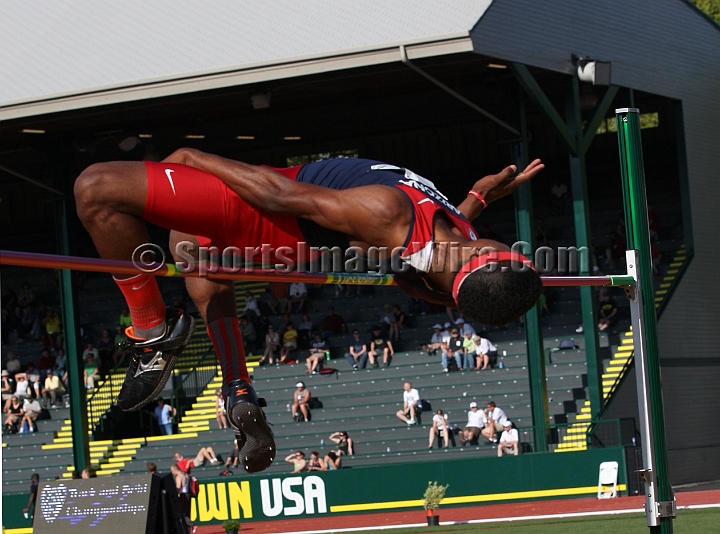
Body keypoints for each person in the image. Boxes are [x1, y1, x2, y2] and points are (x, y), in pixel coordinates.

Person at [73, 149, 543, 474]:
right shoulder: (454, 244)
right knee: (191, 249)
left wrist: (196, 158)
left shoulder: (388, 214)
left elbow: (276, 196)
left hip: (265, 207)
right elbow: (443, 261)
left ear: (486, 252)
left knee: (96, 188)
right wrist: (479, 197)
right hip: (285, 219)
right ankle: (237, 387)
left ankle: (152, 329)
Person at [170, 464, 196, 533]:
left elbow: (178, 487)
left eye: (172, 471)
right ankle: (187, 531)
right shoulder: (186, 474)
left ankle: (193, 524)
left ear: (175, 470)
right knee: (187, 513)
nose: (172, 473)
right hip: (188, 494)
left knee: (181, 513)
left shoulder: (179, 476)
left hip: (183, 495)